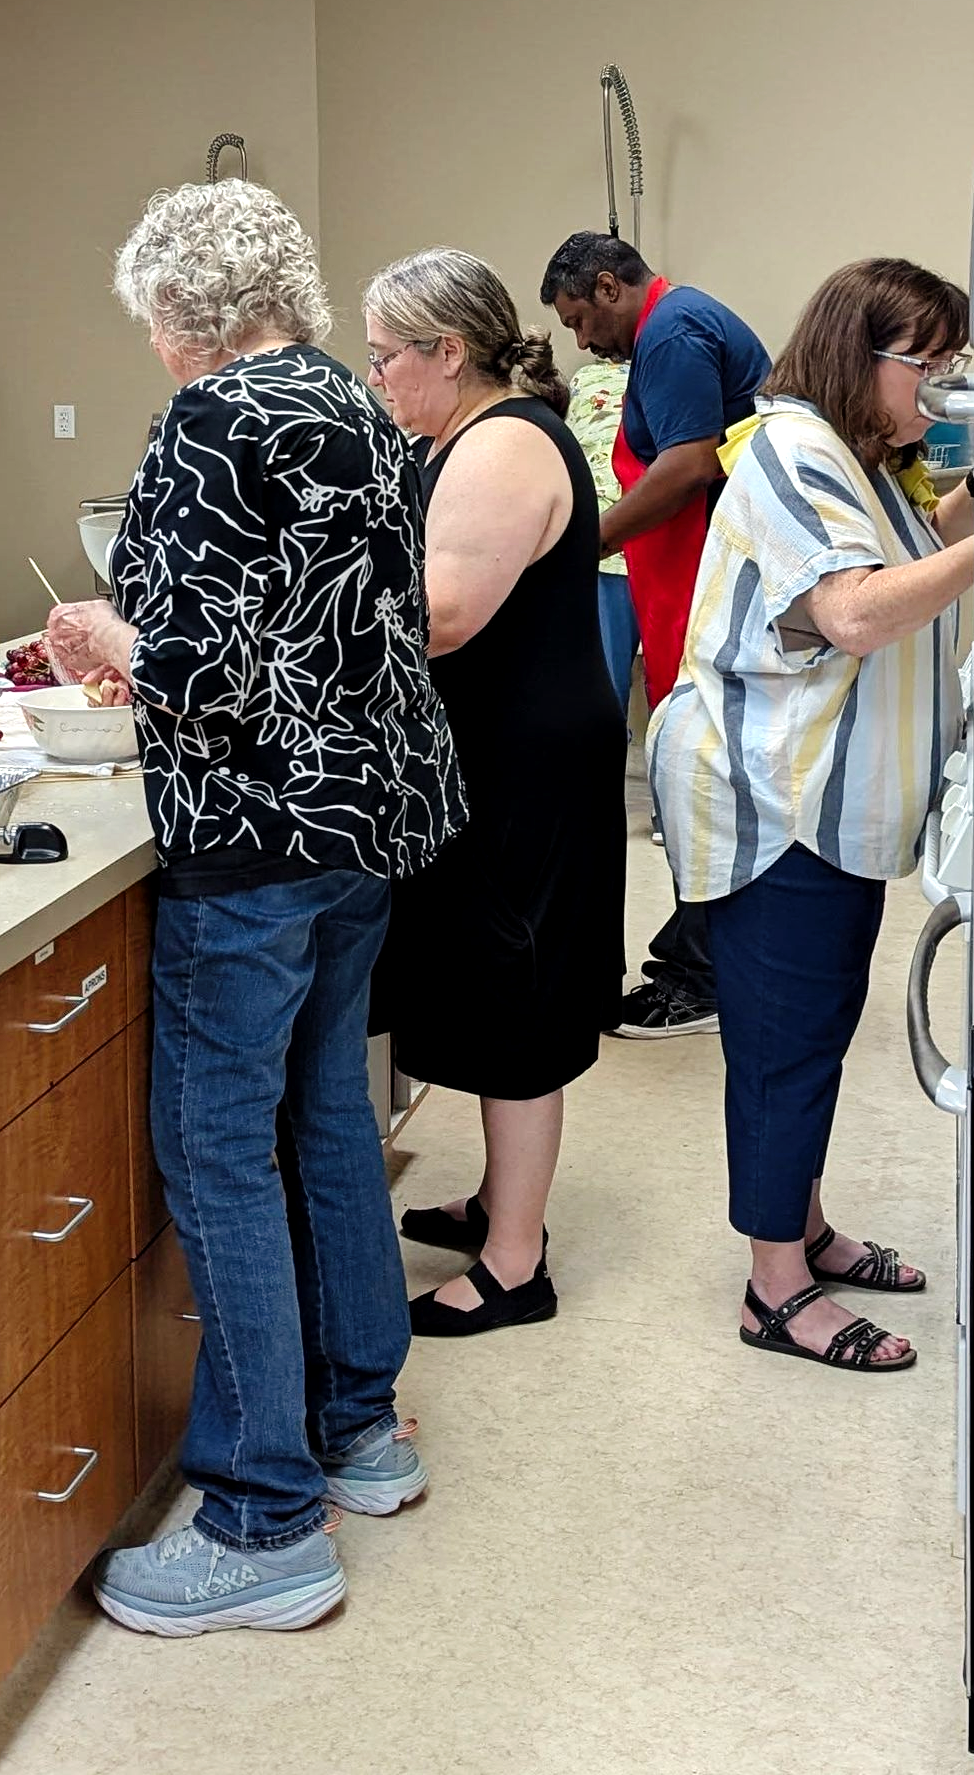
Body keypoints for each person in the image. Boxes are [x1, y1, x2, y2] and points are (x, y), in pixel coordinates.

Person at [44, 180, 464, 1636]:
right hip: (363, 818)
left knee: (217, 1146)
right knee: (327, 1113)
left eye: (152, 318)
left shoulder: (212, 420)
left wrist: (110, 635)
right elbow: (330, 621)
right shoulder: (356, 405)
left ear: (180, 314)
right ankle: (360, 1426)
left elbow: (202, 664)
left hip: (258, 838)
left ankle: (263, 1518)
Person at [650, 258, 972, 1373]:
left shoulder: (864, 463)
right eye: (921, 363)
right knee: (784, 1048)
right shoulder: (792, 451)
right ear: (858, 353)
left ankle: (809, 1226)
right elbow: (852, 612)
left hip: (831, 803)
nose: (932, 385)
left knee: (819, 1034)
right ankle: (774, 1287)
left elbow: (925, 551)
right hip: (773, 802)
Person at [364, 249, 625, 1336]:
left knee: (517, 995)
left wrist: (295, 626)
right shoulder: (466, 435)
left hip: (525, 762)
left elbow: (445, 614)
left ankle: (517, 1263)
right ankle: (493, 1200)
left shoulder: (506, 443)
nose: (375, 377)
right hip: (503, 749)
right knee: (486, 981)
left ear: (448, 352)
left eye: (384, 358)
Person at [540, 233, 770, 1040]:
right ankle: (701, 952)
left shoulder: (670, 333)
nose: (581, 340)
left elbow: (688, 466)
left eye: (579, 318)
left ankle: (703, 974)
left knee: (700, 775)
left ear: (609, 287)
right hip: (686, 571)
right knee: (698, 771)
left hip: (704, 570)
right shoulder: (682, 320)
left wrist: (583, 546)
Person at [567, 358, 641, 727]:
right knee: (604, 681)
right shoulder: (585, 379)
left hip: (645, 549)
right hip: (595, 552)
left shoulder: (661, 370)